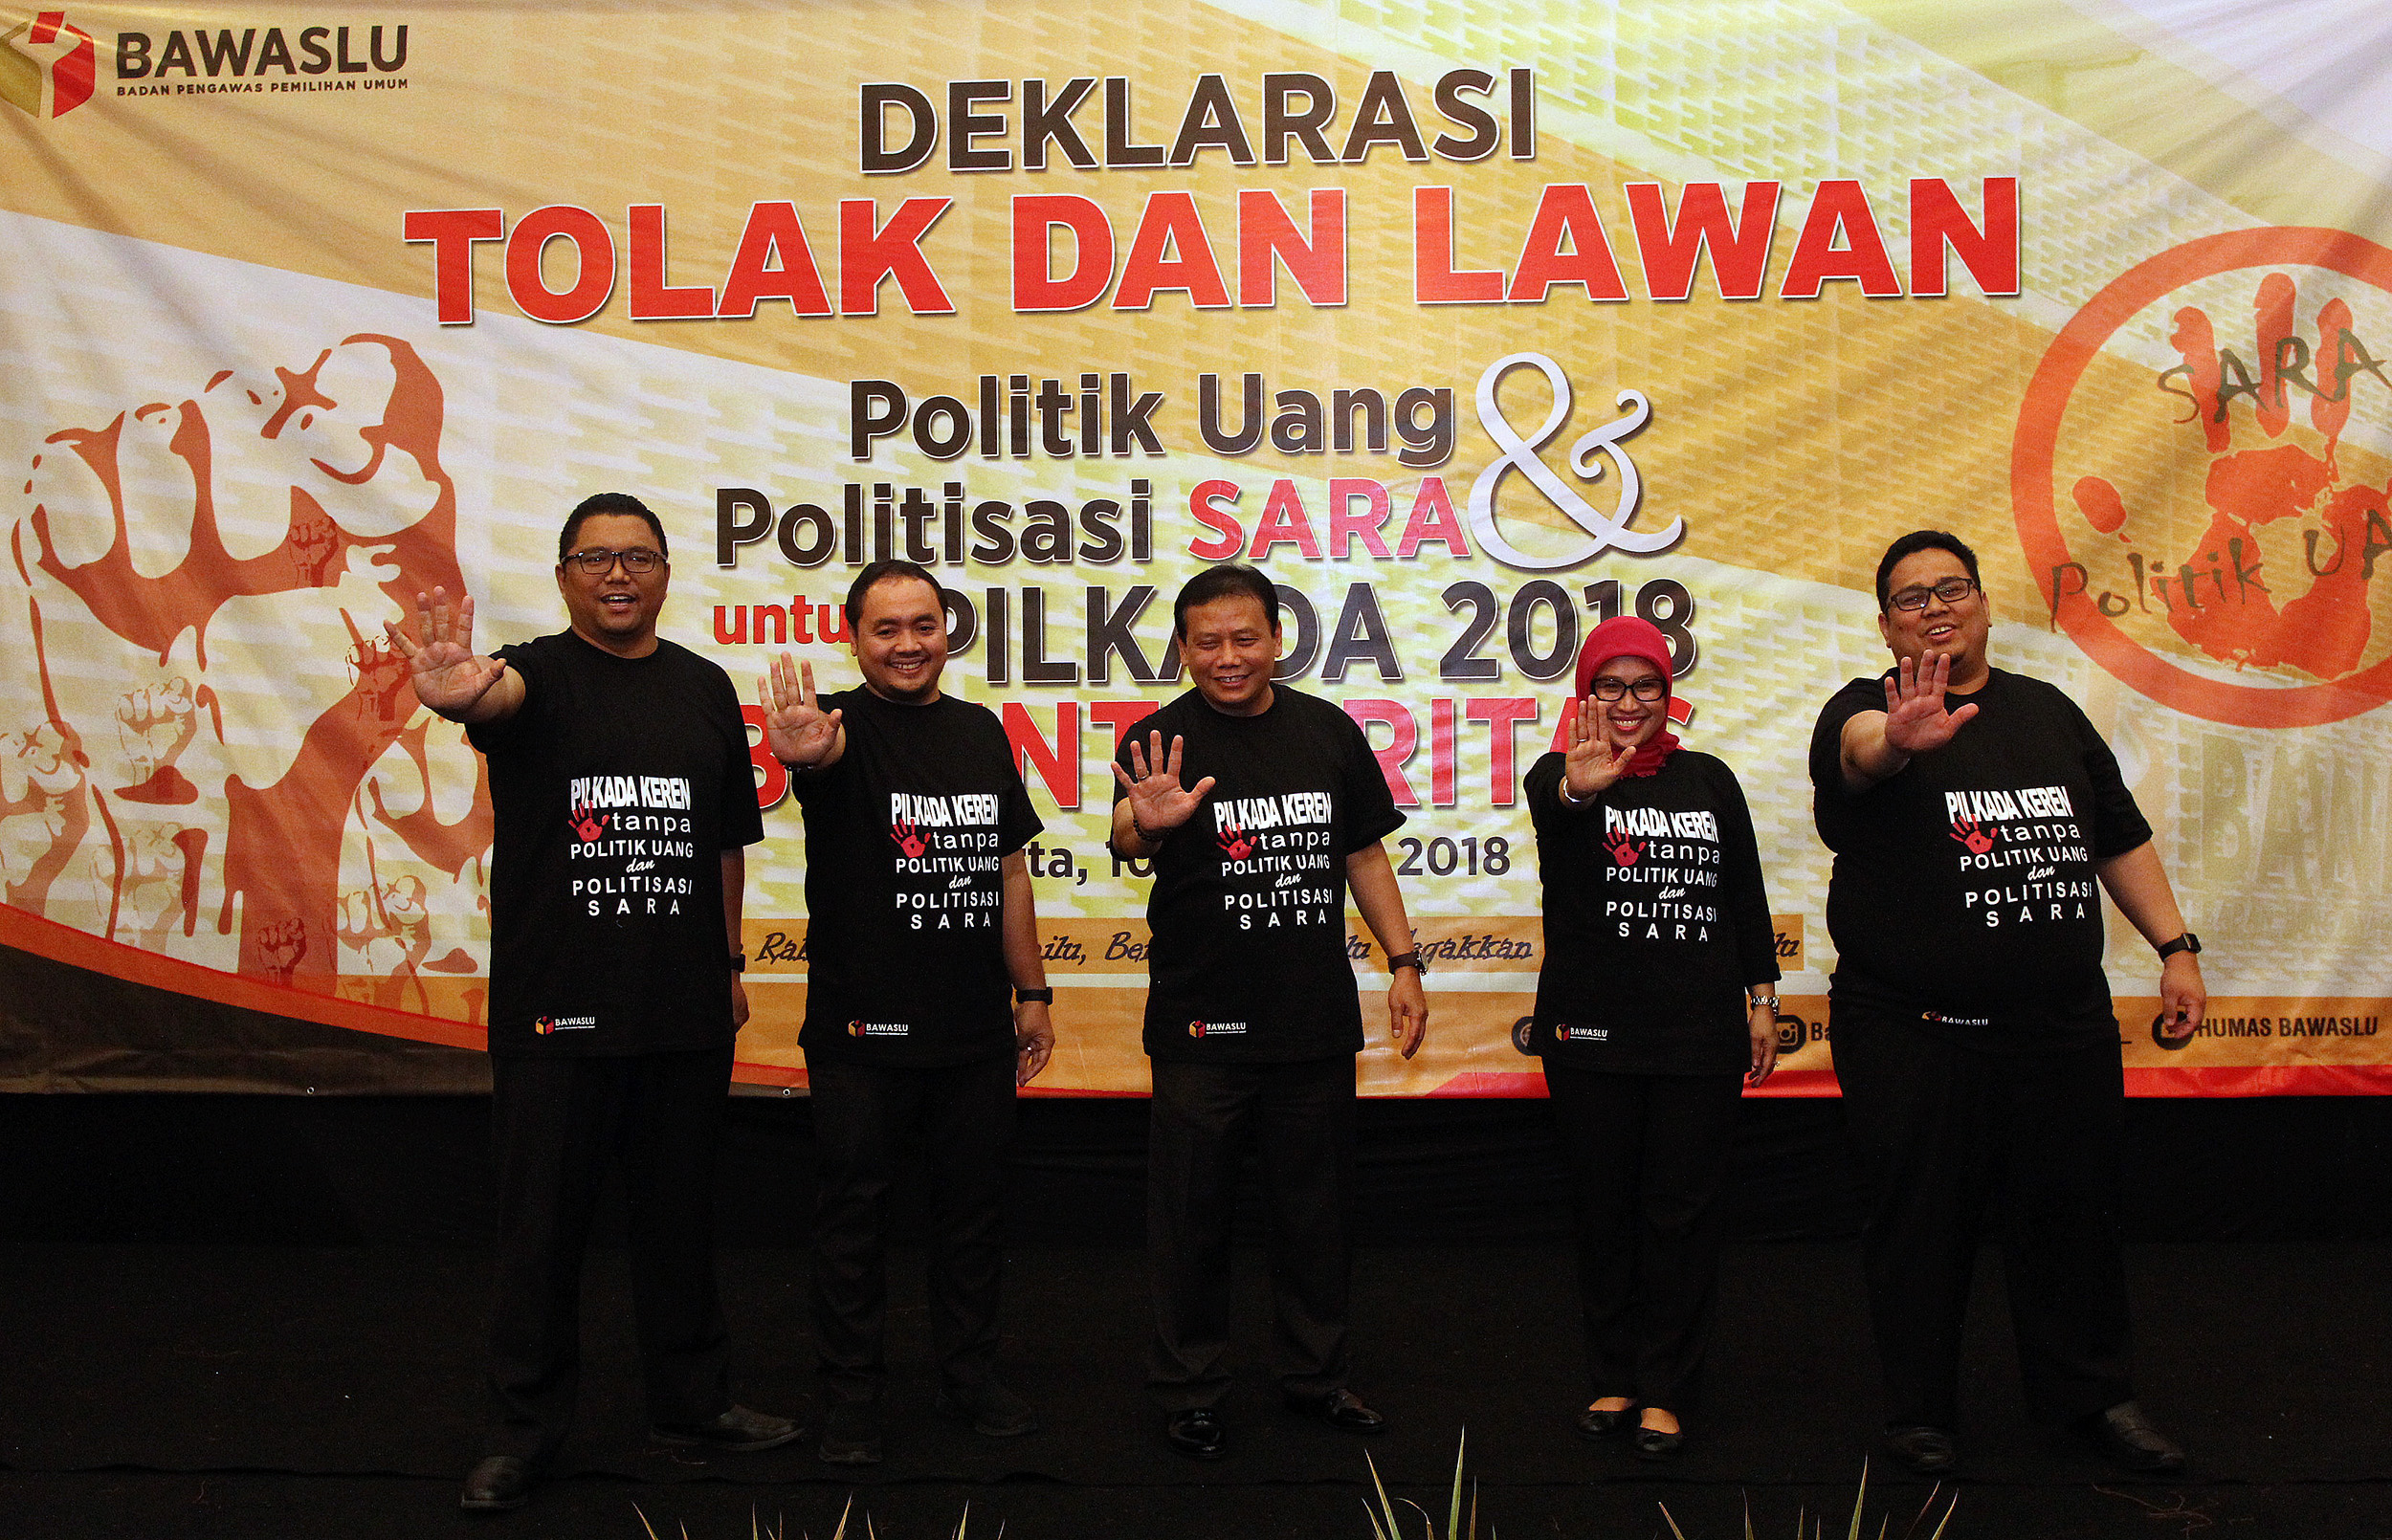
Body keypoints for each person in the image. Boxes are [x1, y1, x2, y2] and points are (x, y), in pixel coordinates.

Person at [388, 492, 799, 1514]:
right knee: (539, 1233)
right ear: (564, 574)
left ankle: (693, 1403)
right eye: (595, 557)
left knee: (680, 1221)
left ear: (666, 573)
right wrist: (457, 696)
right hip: (557, 1011)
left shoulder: (704, 687)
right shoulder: (531, 673)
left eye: (638, 557)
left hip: (683, 1007)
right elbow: (493, 703)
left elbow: (724, 842)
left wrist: (729, 962)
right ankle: (521, 1433)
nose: (618, 574)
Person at [1809, 529, 2204, 1477]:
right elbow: (1857, 760)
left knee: (2073, 1218)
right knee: (1919, 1227)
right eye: (1911, 597)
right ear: (1886, 625)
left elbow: (2116, 836)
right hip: (1914, 1031)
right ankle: (1920, 1415)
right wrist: (1897, 739)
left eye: (1952, 588)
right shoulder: (1862, 711)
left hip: (2057, 1028)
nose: (1935, 607)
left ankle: (2091, 1397)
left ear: (1984, 605)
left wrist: (2175, 946)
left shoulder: (2048, 713)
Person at [1108, 562, 1429, 1461]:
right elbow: (1126, 835)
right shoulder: (1158, 737)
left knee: (1316, 1215)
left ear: (1278, 641)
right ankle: (1189, 1389)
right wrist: (1150, 821)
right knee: (1191, 1218)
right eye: (1207, 642)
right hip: (1199, 1023)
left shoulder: (1327, 732)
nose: (1228, 657)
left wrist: (1404, 962)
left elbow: (1363, 854)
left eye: (1245, 638)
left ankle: (1317, 1378)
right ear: (1181, 649)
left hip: (1309, 1021)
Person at [758, 560, 1055, 1466]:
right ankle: (851, 1400)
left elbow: (1008, 870)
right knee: (853, 1223)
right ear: (854, 638)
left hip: (972, 1033)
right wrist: (805, 755)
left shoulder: (979, 731)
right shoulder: (834, 727)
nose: (907, 644)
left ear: (946, 631)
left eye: (923, 624)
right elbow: (818, 763)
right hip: (860, 1034)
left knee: (972, 1218)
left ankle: (969, 1378)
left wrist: (1033, 993)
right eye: (885, 628)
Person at [1523, 616, 1781, 1463]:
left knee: (1682, 1214)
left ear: (1669, 695)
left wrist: (1762, 998)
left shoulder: (1710, 780)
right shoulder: (1558, 777)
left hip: (1696, 1035)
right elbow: (1558, 814)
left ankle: (1668, 1389)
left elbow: (1743, 894)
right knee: (1604, 1211)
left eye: (1646, 687)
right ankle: (1614, 1376)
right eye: (1611, 686)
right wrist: (1581, 790)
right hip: (1591, 1034)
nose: (1629, 702)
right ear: (1586, 695)